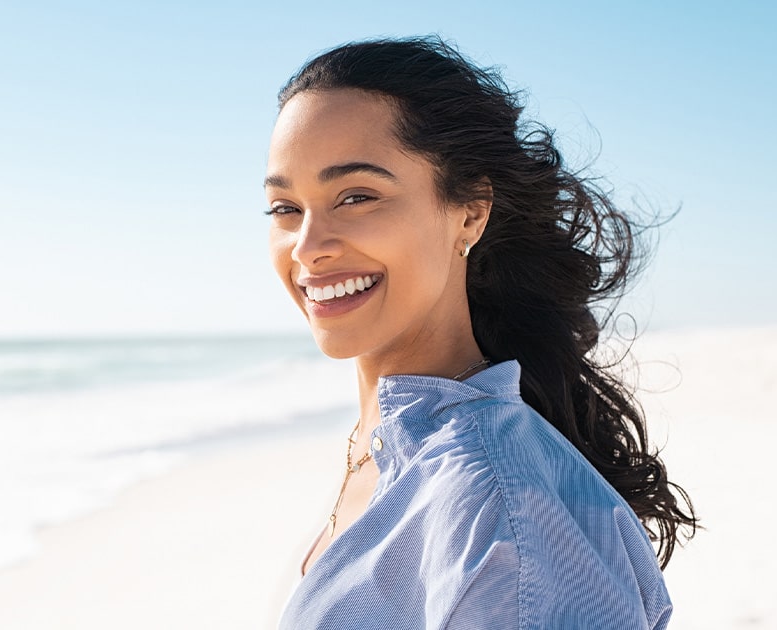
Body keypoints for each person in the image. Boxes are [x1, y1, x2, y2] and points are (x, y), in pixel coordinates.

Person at [263, 37, 697, 629]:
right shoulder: (390, 441)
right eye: (285, 208)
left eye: (356, 196)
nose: (309, 247)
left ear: (470, 210)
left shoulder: (501, 516)